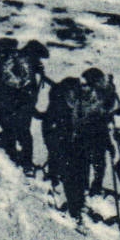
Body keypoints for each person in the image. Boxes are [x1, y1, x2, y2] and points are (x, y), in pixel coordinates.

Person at [0, 38, 47, 170]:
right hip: (14, 104)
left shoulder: (18, 61)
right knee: (22, 133)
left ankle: (14, 157)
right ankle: (23, 162)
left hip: (9, 104)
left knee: (15, 131)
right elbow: (21, 86)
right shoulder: (23, 63)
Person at [41, 76, 89, 222]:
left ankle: (75, 205)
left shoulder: (69, 101)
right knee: (64, 167)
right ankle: (67, 202)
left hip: (65, 139)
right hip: (58, 136)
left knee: (69, 168)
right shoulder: (60, 103)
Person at [77, 68, 119, 197]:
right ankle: (85, 187)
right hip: (87, 131)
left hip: (97, 132)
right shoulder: (88, 94)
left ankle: (94, 187)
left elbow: (112, 106)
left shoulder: (100, 94)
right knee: (87, 161)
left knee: (97, 163)